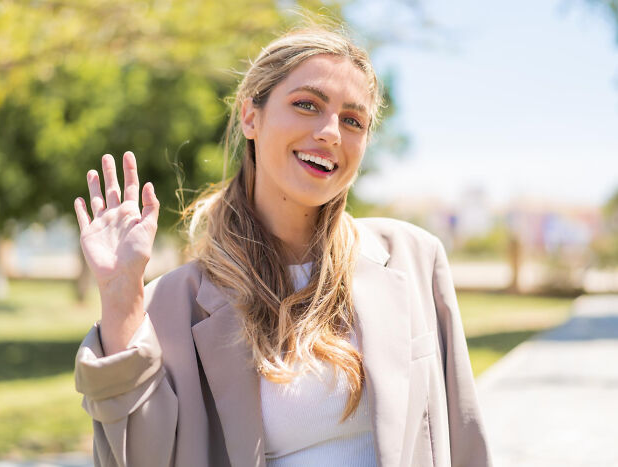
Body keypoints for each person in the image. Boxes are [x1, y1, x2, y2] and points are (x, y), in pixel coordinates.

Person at [73, 24, 492, 467]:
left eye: (353, 120)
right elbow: (138, 458)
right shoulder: (173, 305)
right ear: (251, 116)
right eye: (306, 105)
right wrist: (120, 295)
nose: (331, 132)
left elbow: (463, 436)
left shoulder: (414, 258)